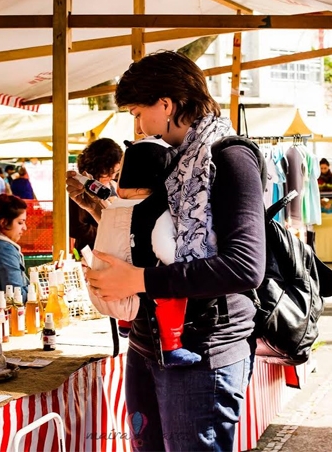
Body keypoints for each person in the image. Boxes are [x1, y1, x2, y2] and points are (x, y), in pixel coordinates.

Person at [68, 50, 264, 451]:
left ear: (167, 103)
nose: (139, 126)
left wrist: (138, 279)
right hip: (147, 339)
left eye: (139, 113)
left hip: (203, 347)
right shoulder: (176, 160)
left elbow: (245, 267)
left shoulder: (229, 157)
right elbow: (151, 227)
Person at [88, 138, 201, 367]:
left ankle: (125, 325)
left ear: (120, 186)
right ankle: (171, 348)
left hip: (104, 294)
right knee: (170, 286)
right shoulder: (157, 211)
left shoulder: (109, 210)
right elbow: (165, 250)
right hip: (138, 297)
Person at [70, 138, 123, 254]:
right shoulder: (80, 189)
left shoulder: (115, 186)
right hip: (91, 253)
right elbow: (76, 229)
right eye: (108, 172)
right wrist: (108, 229)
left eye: (116, 172)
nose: (113, 176)